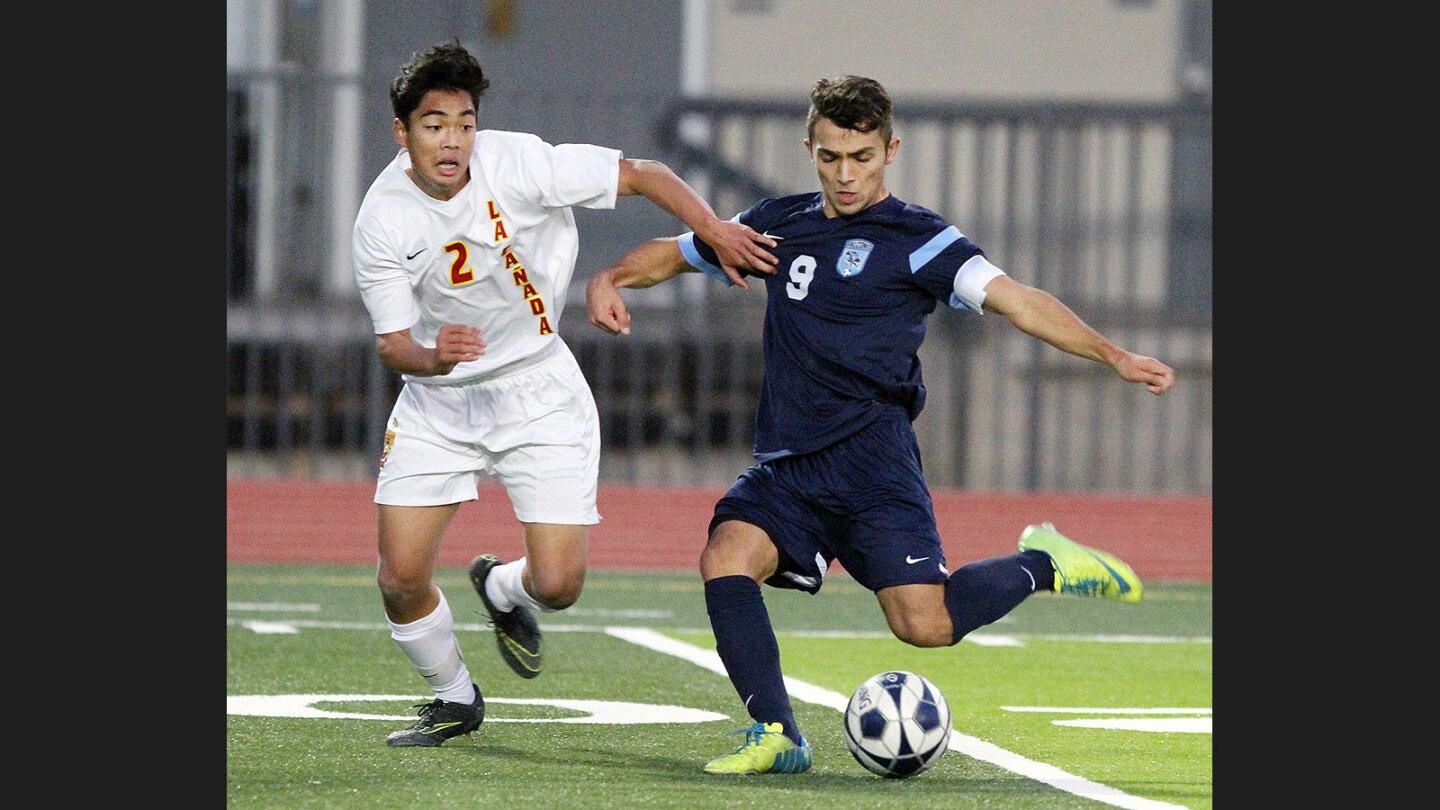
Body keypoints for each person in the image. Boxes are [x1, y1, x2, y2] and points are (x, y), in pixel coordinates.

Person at [585, 75, 1175, 775]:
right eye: (831, 156)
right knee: (726, 554)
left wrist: (1114, 354)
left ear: (889, 150)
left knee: (925, 626)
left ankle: (1044, 563)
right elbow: (678, 252)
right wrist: (610, 279)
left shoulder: (920, 241)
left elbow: (1019, 301)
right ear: (810, 148)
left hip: (874, 466)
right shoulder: (782, 224)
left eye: (861, 156)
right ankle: (777, 734)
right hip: (790, 469)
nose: (845, 174)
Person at [351, 40, 780, 748]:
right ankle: (455, 696)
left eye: (464, 122)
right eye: (434, 125)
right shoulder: (381, 216)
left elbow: (646, 173)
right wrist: (432, 358)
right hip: (439, 401)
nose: (452, 140)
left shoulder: (520, 162)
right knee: (398, 578)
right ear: (402, 133)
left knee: (558, 585)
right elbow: (392, 345)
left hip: (538, 390)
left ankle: (501, 588)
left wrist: (715, 229)